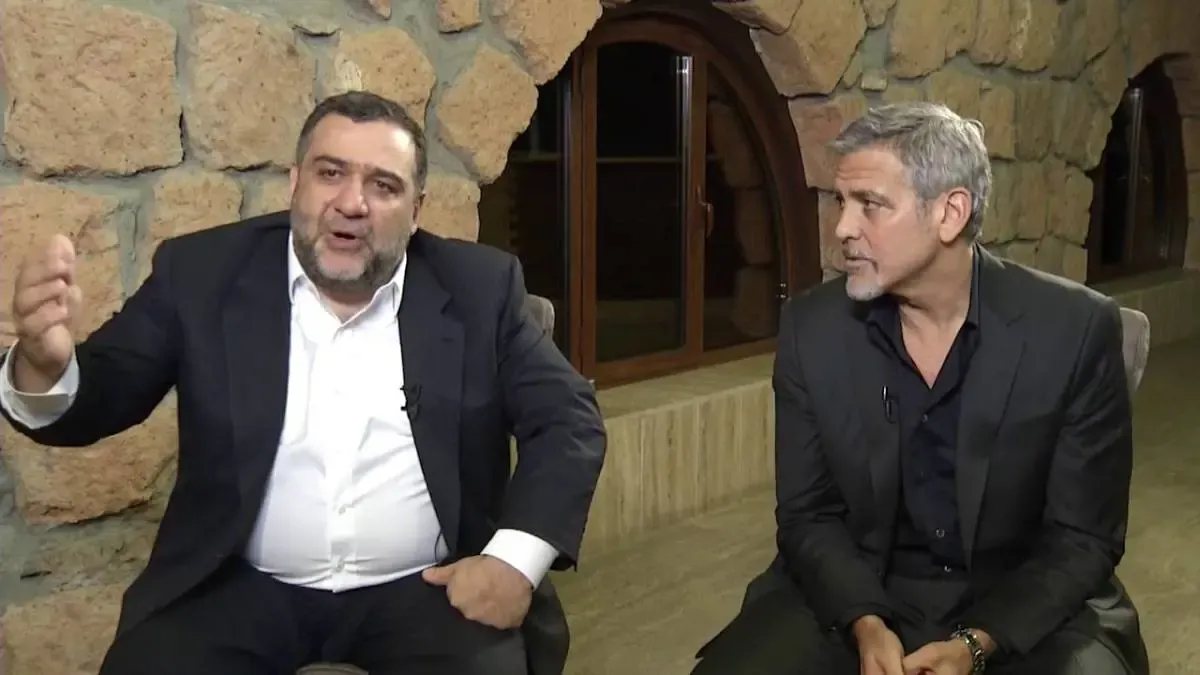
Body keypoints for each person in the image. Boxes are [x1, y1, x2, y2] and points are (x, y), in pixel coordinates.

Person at [0, 91, 607, 675]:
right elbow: (107, 390)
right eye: (330, 173)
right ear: (295, 183)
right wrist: (46, 368)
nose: (352, 203)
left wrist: (513, 561)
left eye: (384, 185)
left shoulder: (480, 287)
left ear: (417, 210)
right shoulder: (202, 273)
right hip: (237, 584)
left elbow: (569, 420)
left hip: (427, 586)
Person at [690, 102, 1149, 675]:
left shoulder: (1074, 329)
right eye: (841, 202)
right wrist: (865, 624)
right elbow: (808, 515)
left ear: (950, 213)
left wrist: (976, 645)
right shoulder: (813, 329)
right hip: (859, 590)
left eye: (870, 205)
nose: (843, 229)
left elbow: (1082, 539)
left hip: (1023, 601)